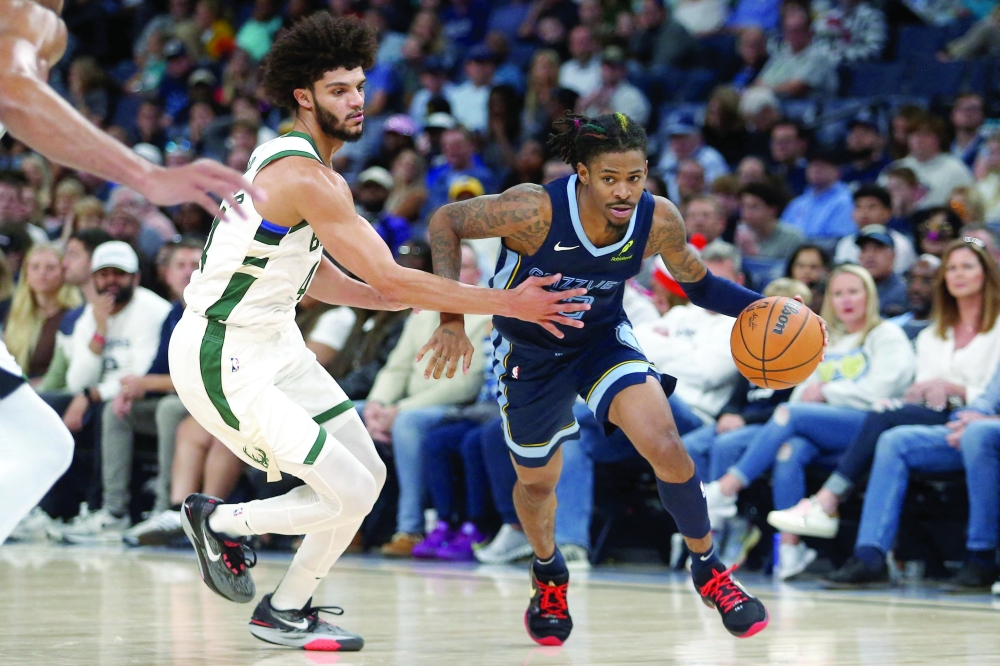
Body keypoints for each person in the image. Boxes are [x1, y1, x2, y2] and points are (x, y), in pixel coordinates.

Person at [167, 15, 583, 652]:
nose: (355, 99)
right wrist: (511, 302)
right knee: (349, 487)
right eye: (338, 90)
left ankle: (286, 607)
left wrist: (382, 299)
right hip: (222, 350)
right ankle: (220, 521)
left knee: (366, 477)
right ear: (303, 96)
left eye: (359, 86)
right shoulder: (307, 177)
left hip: (275, 341)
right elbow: (391, 277)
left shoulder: (290, 162)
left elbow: (307, 275)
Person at [426, 110, 783, 644]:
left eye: (635, 178)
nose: (624, 191)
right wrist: (451, 319)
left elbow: (700, 285)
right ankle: (548, 570)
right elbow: (445, 222)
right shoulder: (533, 209)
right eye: (611, 178)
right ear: (584, 174)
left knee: (664, 441)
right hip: (529, 350)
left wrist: (770, 309)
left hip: (601, 339)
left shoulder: (658, 218)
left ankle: (708, 567)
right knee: (538, 481)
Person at [0, 0, 258, 546]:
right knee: (41, 443)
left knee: (42, 443)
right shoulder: (26, 14)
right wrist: (147, 174)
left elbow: (23, 107)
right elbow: (14, 86)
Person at [766, 238, 1000, 545]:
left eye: (967, 267)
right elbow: (923, 388)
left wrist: (957, 390)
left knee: (877, 415)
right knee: (882, 428)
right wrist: (928, 391)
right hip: (938, 417)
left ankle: (820, 500)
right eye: (952, 268)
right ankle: (865, 552)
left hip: (982, 418)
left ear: (987, 273)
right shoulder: (933, 334)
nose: (958, 274)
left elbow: (990, 389)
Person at [706, 265, 915, 579]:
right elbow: (802, 388)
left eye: (853, 292)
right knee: (791, 449)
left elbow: (883, 388)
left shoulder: (886, 334)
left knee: (789, 415)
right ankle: (790, 550)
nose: (846, 300)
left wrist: (829, 393)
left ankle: (725, 490)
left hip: (868, 425)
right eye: (838, 292)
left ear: (869, 296)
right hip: (827, 426)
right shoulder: (826, 337)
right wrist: (816, 395)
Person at [822, 362, 1000, 591]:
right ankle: (870, 555)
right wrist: (966, 420)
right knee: (894, 440)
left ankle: (981, 555)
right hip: (975, 429)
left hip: (986, 431)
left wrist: (982, 423)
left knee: (978, 434)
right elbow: (987, 399)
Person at [2, 245, 81, 381]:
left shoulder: (74, 314)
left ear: (63, 272)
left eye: (50, 268)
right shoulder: (15, 314)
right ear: (26, 274)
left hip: (55, 392)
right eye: (35, 267)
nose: (42, 273)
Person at [834, 185, 916, 276]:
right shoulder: (846, 243)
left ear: (887, 212)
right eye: (858, 207)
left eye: (871, 207)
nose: (864, 212)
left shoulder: (900, 243)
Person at [780, 150, 856, 241]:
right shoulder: (797, 203)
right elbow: (781, 235)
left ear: (837, 172)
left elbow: (837, 240)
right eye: (812, 165)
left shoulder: (846, 200)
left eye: (822, 166)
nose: (816, 169)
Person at [737, 182, 803, 260]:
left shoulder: (792, 238)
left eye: (754, 207)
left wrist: (754, 255)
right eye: (744, 207)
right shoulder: (740, 234)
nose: (746, 214)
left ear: (772, 210)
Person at [855, 226, 909, 318]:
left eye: (877, 248)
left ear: (893, 255)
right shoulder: (852, 290)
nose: (870, 255)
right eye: (864, 249)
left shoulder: (906, 291)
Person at [890, 254, 940, 340]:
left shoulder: (953, 329)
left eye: (926, 281)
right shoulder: (892, 328)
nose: (915, 287)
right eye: (911, 279)